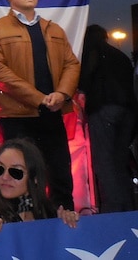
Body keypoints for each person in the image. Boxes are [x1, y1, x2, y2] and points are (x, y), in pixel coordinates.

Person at [0, 0, 80, 211]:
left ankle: (64, 221)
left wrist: (62, 94)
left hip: (52, 113)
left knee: (60, 175)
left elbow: (71, 64)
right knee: (17, 176)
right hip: (16, 116)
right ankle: (19, 222)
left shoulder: (53, 29)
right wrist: (40, 99)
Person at [0, 138, 80, 234]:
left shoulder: (49, 214)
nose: (5, 177)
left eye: (16, 172)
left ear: (35, 178)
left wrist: (67, 227)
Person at [79, 24, 138, 213]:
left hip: (103, 109)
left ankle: (113, 211)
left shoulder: (92, 53)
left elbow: (85, 80)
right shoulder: (120, 56)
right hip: (128, 112)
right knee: (120, 162)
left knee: (105, 163)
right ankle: (129, 209)